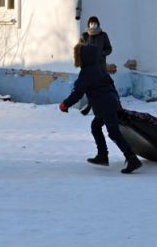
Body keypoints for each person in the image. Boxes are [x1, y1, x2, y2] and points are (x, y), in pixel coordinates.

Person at [59, 43, 142, 174]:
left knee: (114, 132)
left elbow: (78, 93)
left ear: (84, 57)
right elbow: (109, 85)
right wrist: (117, 103)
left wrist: (65, 104)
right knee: (95, 127)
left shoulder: (86, 73)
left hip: (106, 107)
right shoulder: (99, 68)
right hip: (110, 104)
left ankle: (132, 158)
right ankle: (102, 155)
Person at [77, 16, 113, 114]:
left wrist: (102, 53)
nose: (93, 25)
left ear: (98, 24)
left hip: (100, 66)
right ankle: (91, 105)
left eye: (95, 23)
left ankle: (98, 106)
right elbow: (79, 50)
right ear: (88, 24)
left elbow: (109, 49)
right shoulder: (84, 36)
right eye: (91, 23)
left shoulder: (103, 35)